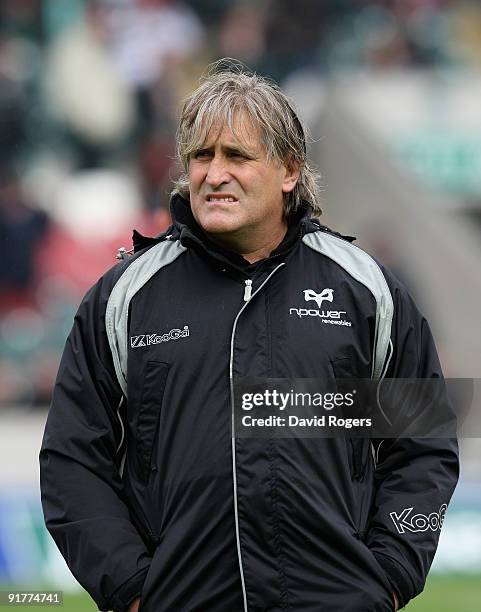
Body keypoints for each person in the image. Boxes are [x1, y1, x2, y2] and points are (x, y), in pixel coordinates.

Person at [40, 61, 459, 612]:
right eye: (201, 156)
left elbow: (422, 445)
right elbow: (73, 462)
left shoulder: (367, 290)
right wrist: (131, 589)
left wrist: (391, 572)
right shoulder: (123, 298)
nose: (215, 174)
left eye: (236, 156)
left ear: (289, 169)